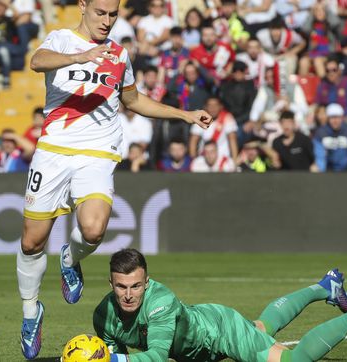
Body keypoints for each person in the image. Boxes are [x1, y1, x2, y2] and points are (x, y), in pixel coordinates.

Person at [18, 0, 212, 358]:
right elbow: (36, 62)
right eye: (100, 13)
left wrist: (183, 115)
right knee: (31, 243)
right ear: (83, 6)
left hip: (98, 153)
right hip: (53, 150)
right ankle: (32, 312)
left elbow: (134, 100)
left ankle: (69, 259)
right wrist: (79, 57)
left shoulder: (119, 55)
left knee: (93, 230)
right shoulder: (60, 40)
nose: (107, 21)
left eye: (113, 15)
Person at [94, 248, 347, 362]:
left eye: (136, 285)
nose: (129, 294)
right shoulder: (104, 317)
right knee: (260, 328)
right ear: (110, 285)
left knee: (293, 360)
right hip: (203, 341)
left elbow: (157, 357)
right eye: (121, 286)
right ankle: (325, 287)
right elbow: (114, 352)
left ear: (147, 282)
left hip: (219, 332)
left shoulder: (158, 302)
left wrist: (105, 361)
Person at [313, 103, 347, 172]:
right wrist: (322, 175)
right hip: (328, 169)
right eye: (332, 117)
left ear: (342, 118)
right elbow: (320, 156)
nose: (335, 121)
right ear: (328, 118)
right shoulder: (321, 132)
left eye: (338, 117)